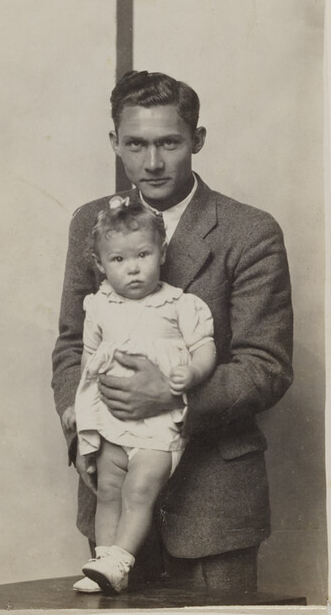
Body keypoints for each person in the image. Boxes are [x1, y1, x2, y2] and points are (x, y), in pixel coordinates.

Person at [51, 70, 293, 594]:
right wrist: (82, 429)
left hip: (213, 509)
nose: (152, 162)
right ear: (115, 142)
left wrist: (171, 397)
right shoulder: (91, 223)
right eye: (135, 144)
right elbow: (73, 343)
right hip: (109, 490)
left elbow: (266, 366)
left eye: (169, 143)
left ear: (197, 141)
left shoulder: (250, 231)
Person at [62, 198, 216, 593]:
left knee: (139, 489)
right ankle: (104, 561)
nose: (132, 268)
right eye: (118, 260)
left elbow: (205, 346)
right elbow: (89, 361)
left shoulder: (180, 304)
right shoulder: (98, 306)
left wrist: (193, 372)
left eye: (143, 255)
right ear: (100, 265)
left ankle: (120, 560)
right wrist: (79, 409)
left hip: (159, 423)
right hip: (113, 420)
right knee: (109, 491)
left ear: (161, 253)